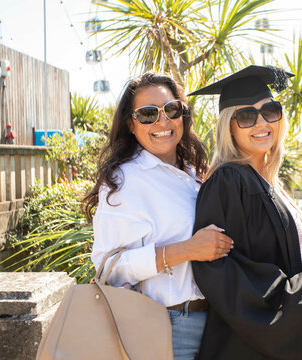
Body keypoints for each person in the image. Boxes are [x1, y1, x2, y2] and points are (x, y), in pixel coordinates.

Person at [189, 65, 302, 360]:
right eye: (246, 116)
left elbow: (275, 250)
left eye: (270, 110)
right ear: (228, 126)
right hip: (244, 345)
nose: (261, 122)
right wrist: (300, 290)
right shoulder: (228, 180)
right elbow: (217, 269)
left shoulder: (269, 181)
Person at [82, 72, 234, 360]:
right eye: (148, 114)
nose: (162, 121)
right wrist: (185, 250)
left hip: (216, 324)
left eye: (171, 109)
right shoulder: (125, 180)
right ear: (131, 124)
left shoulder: (192, 173)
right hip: (166, 326)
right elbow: (107, 267)